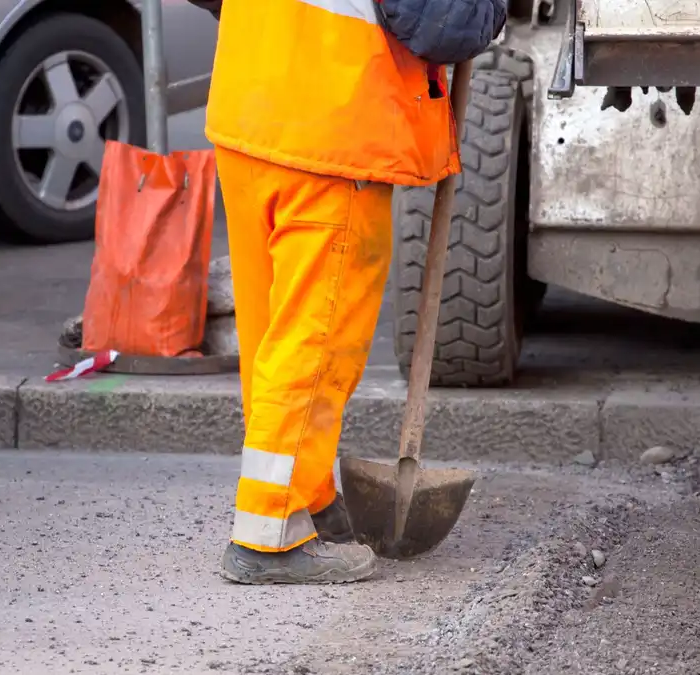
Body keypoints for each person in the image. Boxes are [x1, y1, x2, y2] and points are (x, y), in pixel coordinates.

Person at [195, 0, 503, 584]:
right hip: (331, 131)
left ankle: (307, 494)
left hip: (250, 110)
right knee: (316, 341)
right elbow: (442, 22)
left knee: (274, 337)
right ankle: (270, 534)